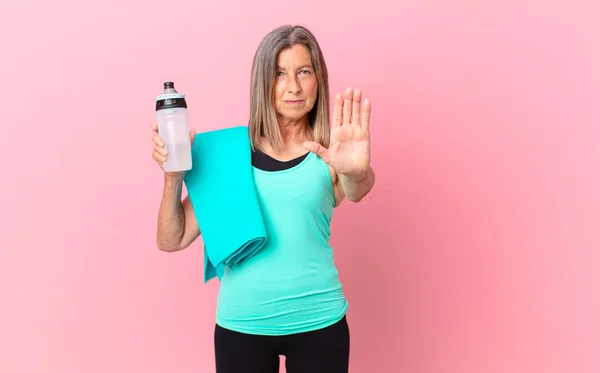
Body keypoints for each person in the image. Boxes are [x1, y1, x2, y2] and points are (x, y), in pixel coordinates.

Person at [150, 24, 375, 373]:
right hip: (242, 328)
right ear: (262, 83)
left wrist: (357, 170)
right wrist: (173, 178)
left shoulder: (331, 151)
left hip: (319, 322)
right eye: (280, 74)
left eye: (304, 72)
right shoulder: (225, 156)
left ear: (319, 79)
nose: (294, 87)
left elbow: (356, 188)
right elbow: (172, 239)